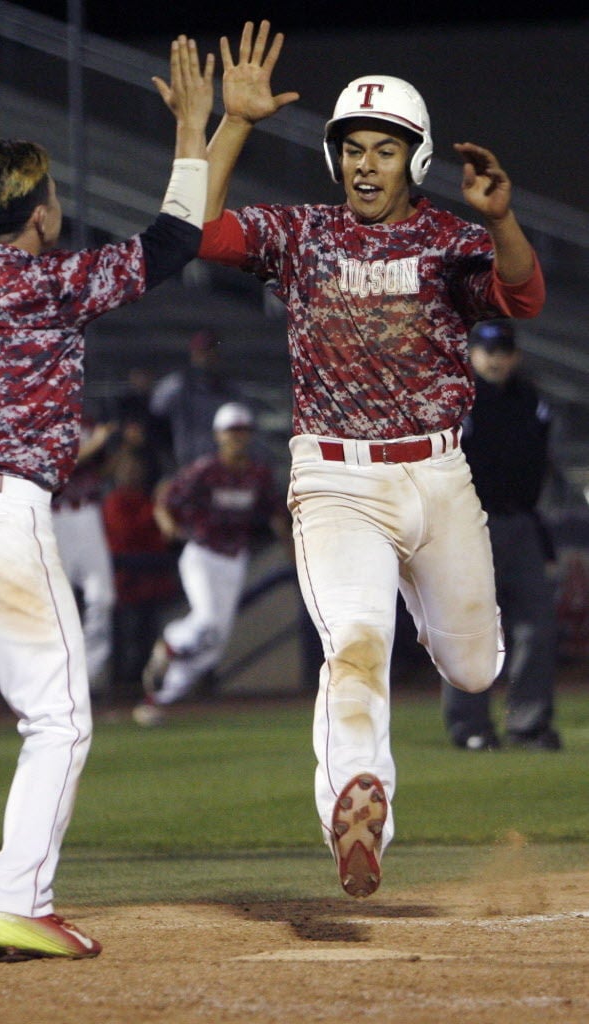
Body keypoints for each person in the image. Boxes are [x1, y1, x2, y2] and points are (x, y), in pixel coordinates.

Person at [197, 21, 545, 899]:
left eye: (383, 149)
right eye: (351, 147)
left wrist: (500, 220)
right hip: (335, 480)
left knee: (477, 669)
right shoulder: (304, 233)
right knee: (354, 642)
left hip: (438, 477)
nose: (363, 164)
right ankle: (362, 798)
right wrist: (232, 125)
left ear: (414, 159)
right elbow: (196, 232)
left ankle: (423, 687)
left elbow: (524, 294)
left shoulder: (450, 240)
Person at [0, 35, 214, 960]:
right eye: (51, 201)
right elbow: (172, 244)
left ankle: (18, 893)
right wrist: (191, 135)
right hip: (0, 513)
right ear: (39, 211)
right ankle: (17, 899)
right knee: (61, 718)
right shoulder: (48, 283)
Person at [441, 319, 561, 751]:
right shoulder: (456, 401)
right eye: (487, 350)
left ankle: (528, 724)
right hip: (470, 524)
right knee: (471, 628)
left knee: (536, 627)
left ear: (516, 354)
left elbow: (542, 466)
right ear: (471, 354)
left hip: (522, 521)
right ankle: (470, 726)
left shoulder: (531, 400)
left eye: (503, 350)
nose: (496, 358)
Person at [133, 401, 292, 725]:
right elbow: (167, 496)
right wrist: (166, 522)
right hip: (202, 553)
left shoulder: (258, 474)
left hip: (234, 559)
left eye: (243, 430)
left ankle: (157, 699)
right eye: (232, 431)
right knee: (205, 620)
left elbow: (276, 514)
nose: (238, 437)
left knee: (215, 645)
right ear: (219, 435)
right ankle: (171, 642)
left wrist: (291, 548)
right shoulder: (206, 470)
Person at [102, 442, 180, 702]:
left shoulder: (146, 499)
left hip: (151, 581)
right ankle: (121, 691)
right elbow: (126, 533)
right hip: (125, 581)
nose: (133, 473)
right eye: (128, 468)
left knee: (148, 639)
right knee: (125, 640)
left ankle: (145, 690)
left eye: (137, 468)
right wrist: (156, 509)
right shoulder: (115, 500)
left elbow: (166, 537)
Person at [51, 417, 117, 697]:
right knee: (53, 605)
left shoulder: (88, 421)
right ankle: (51, 680)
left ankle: (86, 679)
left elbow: (103, 470)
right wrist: (96, 443)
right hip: (53, 517)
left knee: (102, 598)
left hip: (88, 513)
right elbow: (56, 466)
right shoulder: (37, 418)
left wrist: (119, 447)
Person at [149, 327, 246, 468]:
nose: (206, 356)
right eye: (201, 352)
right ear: (193, 354)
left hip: (221, 463)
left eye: (210, 351)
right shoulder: (177, 384)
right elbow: (156, 412)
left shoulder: (230, 389)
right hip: (185, 462)